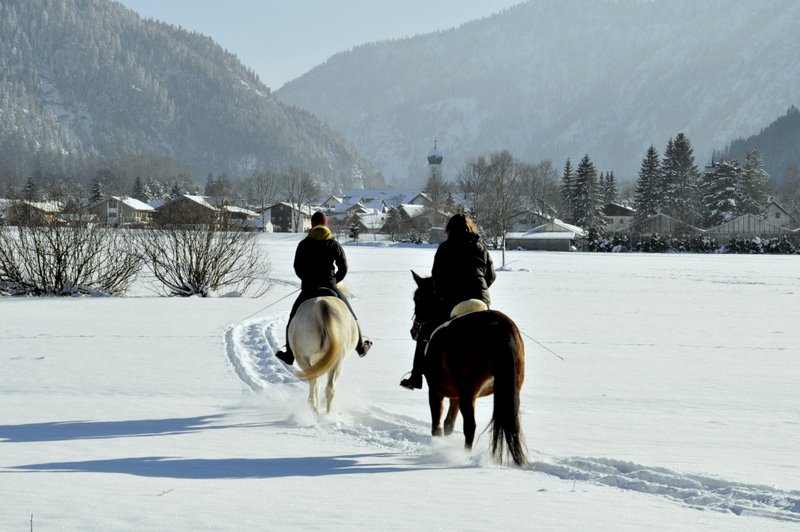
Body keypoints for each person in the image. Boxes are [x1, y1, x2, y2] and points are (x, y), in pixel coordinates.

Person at [400, 212, 495, 390]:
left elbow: (437, 279)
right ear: (470, 228)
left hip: (454, 302)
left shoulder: (445, 248)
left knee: (426, 332)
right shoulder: (480, 245)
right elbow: (491, 275)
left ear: (449, 229)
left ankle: (416, 376)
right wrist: (480, 292)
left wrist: (445, 297)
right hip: (481, 301)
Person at [275, 211, 371, 365]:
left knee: (292, 319)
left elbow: (297, 267)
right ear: (326, 224)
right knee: (351, 316)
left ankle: (289, 354)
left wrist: (306, 279)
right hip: (331, 286)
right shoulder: (333, 243)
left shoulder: (304, 244)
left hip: (309, 288)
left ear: (312, 225)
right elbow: (343, 268)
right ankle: (360, 346)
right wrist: (333, 280)